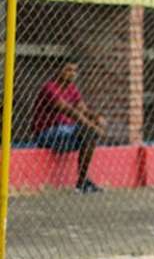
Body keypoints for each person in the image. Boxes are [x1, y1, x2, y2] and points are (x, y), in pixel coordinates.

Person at [32, 58, 106, 194]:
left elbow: (82, 109)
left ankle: (82, 182)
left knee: (89, 134)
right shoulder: (50, 88)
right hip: (47, 134)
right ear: (58, 71)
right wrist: (92, 126)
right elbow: (69, 111)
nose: (72, 73)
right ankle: (82, 182)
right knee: (89, 131)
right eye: (68, 70)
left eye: (74, 71)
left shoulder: (72, 88)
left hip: (67, 134)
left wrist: (96, 117)